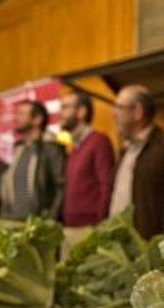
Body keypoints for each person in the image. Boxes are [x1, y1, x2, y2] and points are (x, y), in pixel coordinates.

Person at [110, 84, 164, 238]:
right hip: (120, 244)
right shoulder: (124, 149)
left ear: (137, 111)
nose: (113, 114)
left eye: (119, 107)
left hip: (149, 247)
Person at [58, 91, 115, 252]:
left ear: (81, 112)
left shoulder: (99, 141)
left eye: (65, 107)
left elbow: (106, 185)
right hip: (69, 227)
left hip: (89, 229)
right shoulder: (74, 148)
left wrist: (99, 225)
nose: (60, 113)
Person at [1, 101, 66, 220]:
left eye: (21, 114)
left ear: (37, 119)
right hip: (14, 222)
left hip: (39, 224)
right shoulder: (18, 149)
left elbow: (61, 187)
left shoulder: (51, 149)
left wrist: (51, 218)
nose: (16, 118)